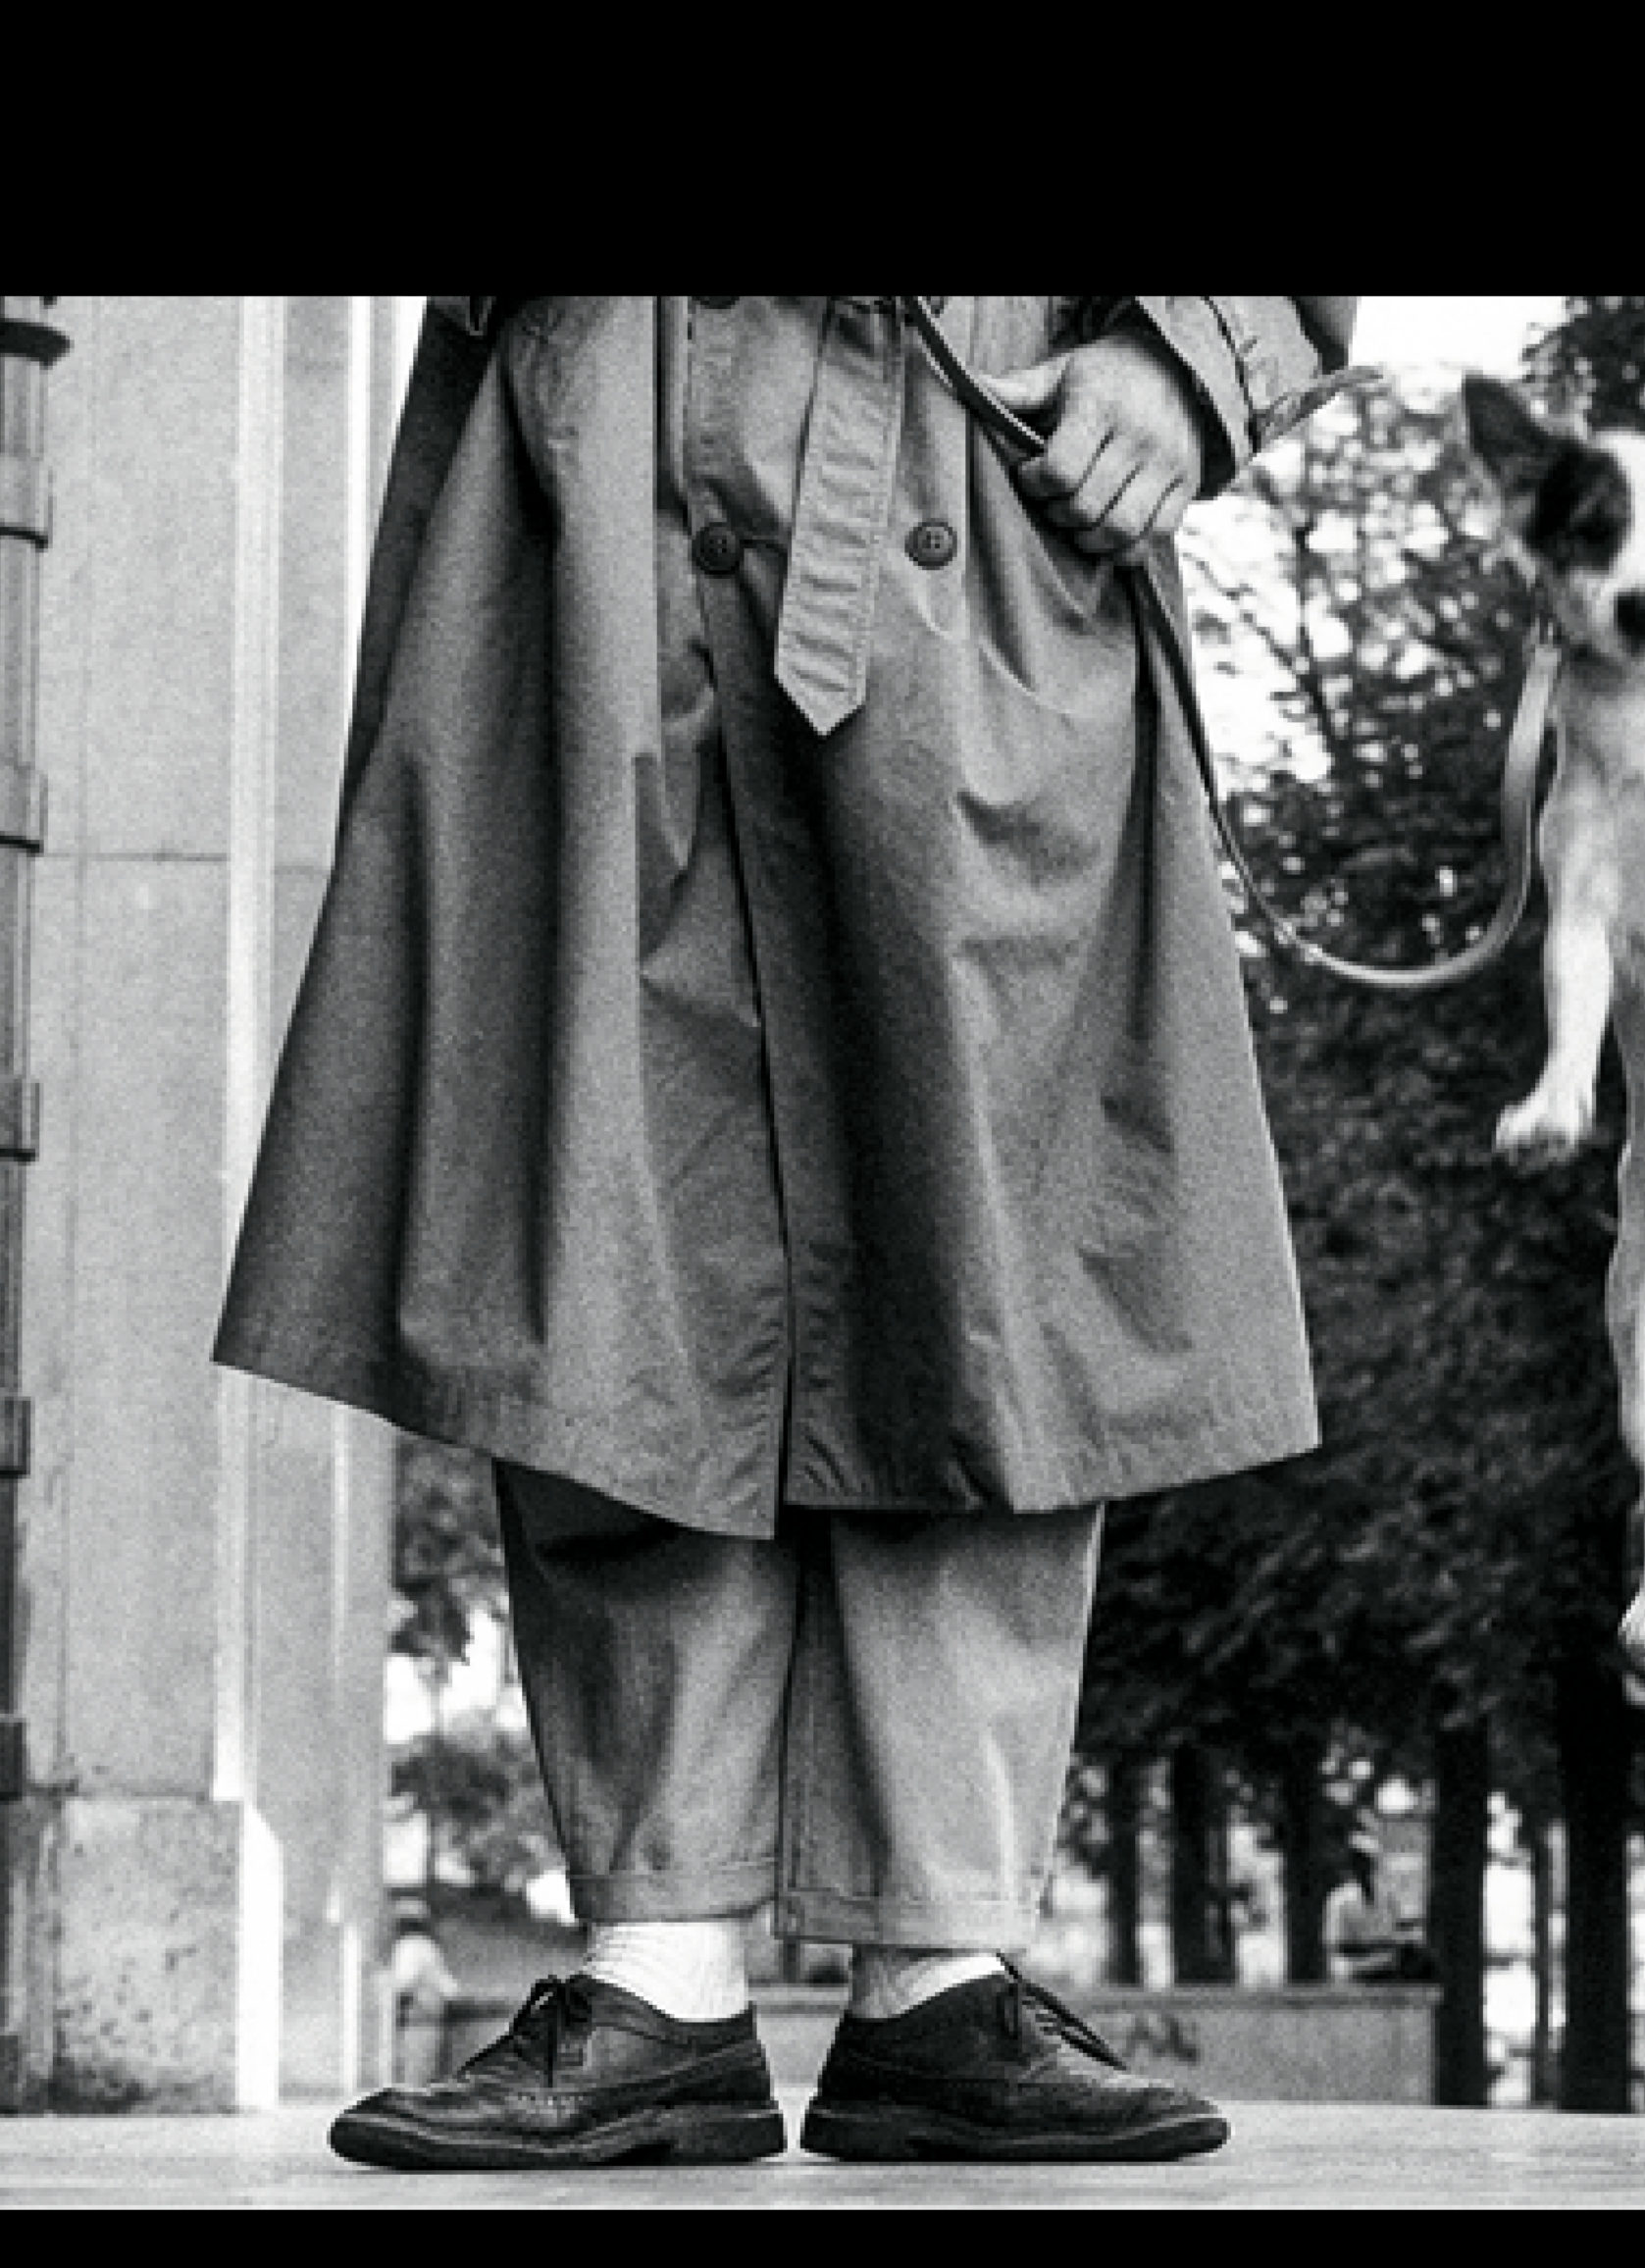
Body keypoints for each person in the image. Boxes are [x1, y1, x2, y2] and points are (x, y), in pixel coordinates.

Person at [216, 295, 1360, 2170]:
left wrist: (1192, 349)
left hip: (968, 465)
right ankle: (658, 1966)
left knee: (993, 1240)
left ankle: (945, 1970)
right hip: (595, 469)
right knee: (597, 1211)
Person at [1322, 1836, 1433, 1984]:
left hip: (1388, 1966)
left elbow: (1397, 1926)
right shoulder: (1339, 1899)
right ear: (1350, 1866)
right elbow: (1337, 1945)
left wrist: (1414, 1931)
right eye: (1358, 1861)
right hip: (1355, 1969)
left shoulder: (1387, 1896)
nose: (1364, 1867)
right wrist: (1382, 1945)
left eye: (1367, 1861)